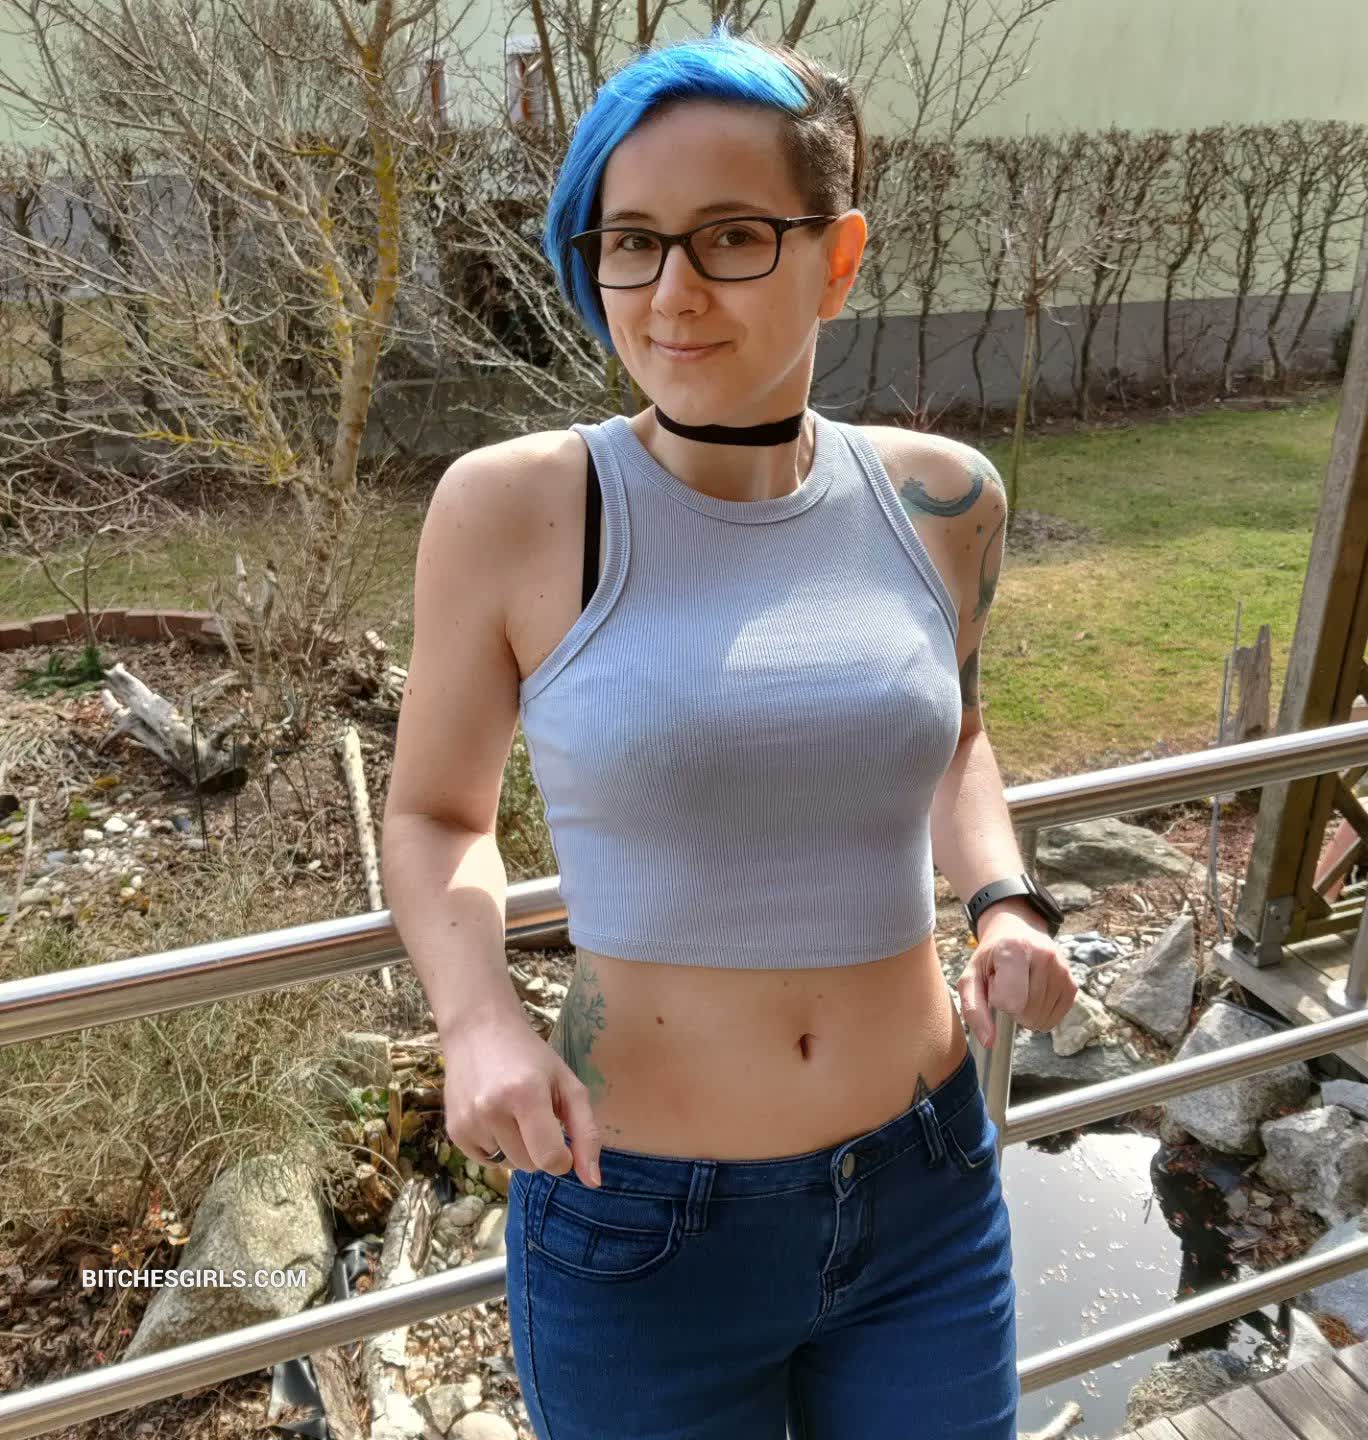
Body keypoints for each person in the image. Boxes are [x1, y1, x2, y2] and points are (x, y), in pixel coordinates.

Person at [382, 22, 1077, 1440]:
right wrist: (478, 1021)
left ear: (839, 256)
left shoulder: (945, 501)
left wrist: (1004, 899)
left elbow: (954, 738)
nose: (672, 291)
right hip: (641, 1222)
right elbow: (437, 814)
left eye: (733, 237)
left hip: (926, 1195)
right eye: (630, 242)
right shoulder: (516, 509)